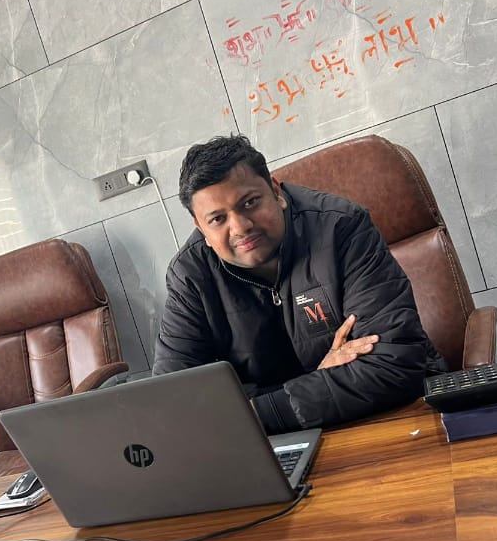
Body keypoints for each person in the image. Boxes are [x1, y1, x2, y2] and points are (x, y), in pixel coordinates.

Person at [152, 134, 446, 434]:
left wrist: (250, 411)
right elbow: (174, 405)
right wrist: (317, 380)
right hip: (273, 442)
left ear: (275, 191)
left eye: (250, 203)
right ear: (201, 228)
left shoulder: (341, 227)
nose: (240, 227)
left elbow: (394, 364)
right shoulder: (190, 274)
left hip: (389, 419)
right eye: (217, 219)